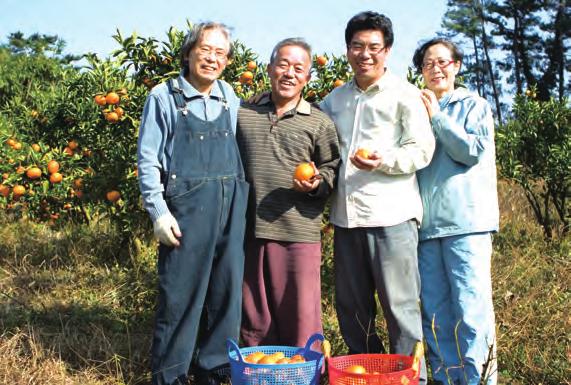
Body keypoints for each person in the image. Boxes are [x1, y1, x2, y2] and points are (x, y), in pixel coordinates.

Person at [319, 11, 434, 384]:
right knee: (352, 310)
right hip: (346, 219)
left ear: (387, 51)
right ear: (347, 49)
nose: (364, 54)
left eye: (373, 47)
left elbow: (421, 150)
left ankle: (410, 379)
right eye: (357, 46)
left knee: (400, 309)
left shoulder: (404, 96)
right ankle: (364, 375)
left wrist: (382, 161)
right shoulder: (333, 101)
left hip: (392, 218)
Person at [137, 22, 249, 385]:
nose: (212, 58)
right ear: (189, 53)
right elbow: (148, 159)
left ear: (228, 61)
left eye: (220, 53)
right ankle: (170, 376)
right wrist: (158, 212)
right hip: (186, 213)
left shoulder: (230, 97)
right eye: (206, 50)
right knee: (180, 299)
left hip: (229, 211)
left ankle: (214, 373)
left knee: (225, 297)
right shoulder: (164, 96)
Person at [237, 38, 340, 348]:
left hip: (299, 233)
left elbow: (333, 168)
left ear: (307, 77)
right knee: (255, 317)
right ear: (269, 69)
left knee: (301, 317)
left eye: (298, 68)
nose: (289, 73)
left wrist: (317, 182)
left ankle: (305, 375)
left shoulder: (319, 122)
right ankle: (261, 375)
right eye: (282, 65)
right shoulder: (243, 113)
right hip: (250, 230)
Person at [413, 37, 499, 385]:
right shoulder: (415, 106)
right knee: (435, 314)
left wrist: (437, 118)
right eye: (429, 63)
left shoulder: (473, 105)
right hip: (427, 227)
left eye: (443, 62)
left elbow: (471, 150)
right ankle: (448, 379)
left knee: (471, 309)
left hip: (467, 224)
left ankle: (479, 379)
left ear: (457, 66)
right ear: (420, 70)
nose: (436, 69)